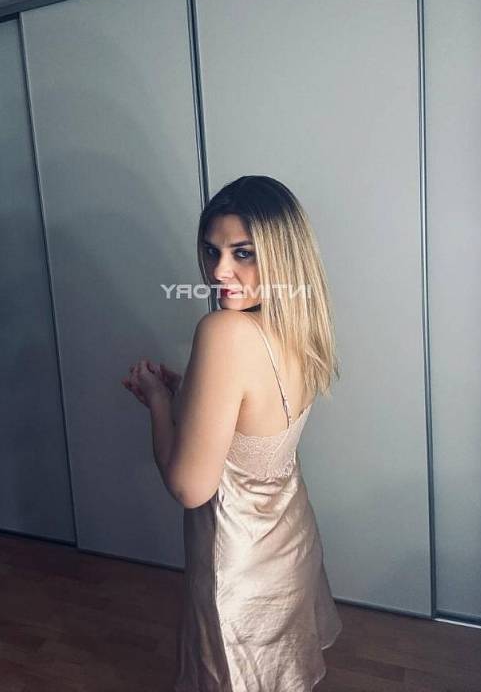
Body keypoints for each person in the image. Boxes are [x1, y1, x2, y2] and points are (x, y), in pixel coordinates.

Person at [122, 175, 343, 691]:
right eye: (211, 251)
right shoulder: (299, 325)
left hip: (237, 563)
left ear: (282, 255)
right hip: (289, 539)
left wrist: (158, 402)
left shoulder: (223, 331)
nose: (219, 271)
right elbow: (252, 422)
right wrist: (187, 394)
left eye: (243, 253)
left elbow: (189, 487)